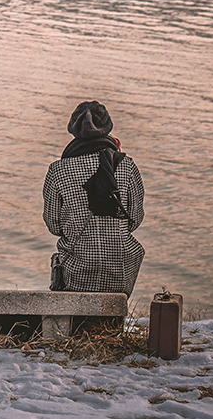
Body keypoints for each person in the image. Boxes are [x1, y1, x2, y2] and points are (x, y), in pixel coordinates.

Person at [43, 101, 145, 296]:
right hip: (120, 269)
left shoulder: (57, 171)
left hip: (77, 271)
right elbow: (135, 219)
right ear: (108, 128)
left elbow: (54, 226)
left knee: (61, 258)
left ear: (73, 130)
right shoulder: (128, 166)